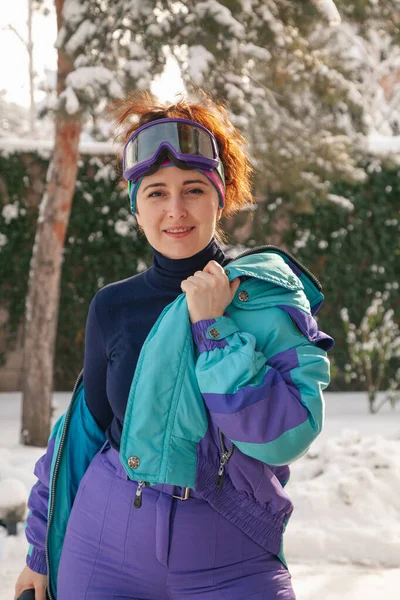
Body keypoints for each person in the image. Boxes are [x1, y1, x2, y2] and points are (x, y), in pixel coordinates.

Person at [15, 91, 334, 600]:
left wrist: (214, 331)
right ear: (136, 208)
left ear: (221, 197)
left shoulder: (264, 298)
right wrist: (38, 551)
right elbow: (80, 435)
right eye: (156, 193)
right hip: (103, 545)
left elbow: (284, 436)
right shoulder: (113, 306)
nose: (176, 210)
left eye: (192, 190)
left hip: (230, 553)